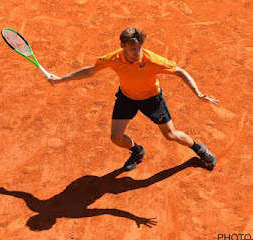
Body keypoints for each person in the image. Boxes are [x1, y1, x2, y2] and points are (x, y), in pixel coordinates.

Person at [48, 27, 219, 171]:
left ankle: (200, 150)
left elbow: (180, 72)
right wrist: (60, 79)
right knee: (116, 138)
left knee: (171, 134)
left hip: (152, 99)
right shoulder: (113, 58)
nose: (137, 52)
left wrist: (197, 93)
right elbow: (89, 71)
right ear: (122, 45)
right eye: (132, 49)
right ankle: (137, 151)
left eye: (139, 48)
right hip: (127, 98)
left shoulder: (152, 60)